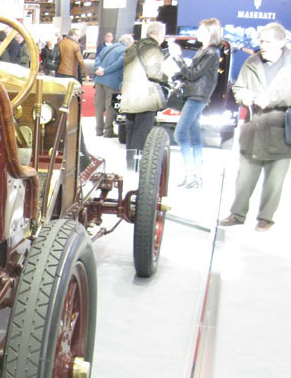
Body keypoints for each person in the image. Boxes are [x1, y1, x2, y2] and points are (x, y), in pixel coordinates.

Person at [219, 22, 291, 232]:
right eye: (261, 41)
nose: (263, 45)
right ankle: (237, 214)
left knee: (274, 181)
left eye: (268, 42)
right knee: (244, 177)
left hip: (282, 128)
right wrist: (246, 96)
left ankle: (265, 218)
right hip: (253, 127)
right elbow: (238, 88)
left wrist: (272, 99)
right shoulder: (251, 62)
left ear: (282, 42)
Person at [173, 19, 222, 189]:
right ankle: (194, 176)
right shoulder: (204, 51)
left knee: (180, 134)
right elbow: (193, 74)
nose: (197, 32)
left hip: (198, 96)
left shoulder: (211, 53)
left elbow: (193, 74)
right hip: (195, 95)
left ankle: (191, 173)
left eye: (201, 29)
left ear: (209, 32)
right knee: (194, 137)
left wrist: (177, 58)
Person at [120, 21, 167, 170]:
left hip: (129, 97)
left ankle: (130, 166)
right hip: (145, 98)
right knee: (142, 136)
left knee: (131, 135)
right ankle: (138, 169)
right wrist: (167, 77)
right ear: (159, 34)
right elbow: (154, 73)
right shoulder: (153, 49)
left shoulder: (135, 46)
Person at [93, 34, 133, 137]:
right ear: (128, 43)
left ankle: (98, 130)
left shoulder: (108, 47)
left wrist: (98, 69)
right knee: (111, 106)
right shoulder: (125, 50)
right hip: (113, 81)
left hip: (99, 80)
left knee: (99, 105)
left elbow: (98, 58)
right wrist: (106, 71)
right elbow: (119, 63)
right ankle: (108, 131)